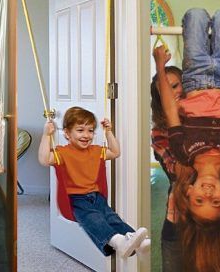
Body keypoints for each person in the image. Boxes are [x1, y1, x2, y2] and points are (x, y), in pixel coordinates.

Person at [153, 8, 220, 272]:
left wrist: (159, 66)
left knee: (194, 16)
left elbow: (170, 111)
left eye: (199, 200)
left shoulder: (182, 152)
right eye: (215, 201)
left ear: (188, 193)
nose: (207, 194)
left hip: (195, 79)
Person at [39, 106, 150, 259]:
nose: (86, 135)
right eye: (80, 130)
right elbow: (44, 159)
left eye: (90, 130)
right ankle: (117, 241)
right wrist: (46, 135)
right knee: (93, 219)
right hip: (76, 199)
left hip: (96, 196)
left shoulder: (96, 150)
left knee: (112, 218)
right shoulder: (62, 153)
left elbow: (116, 152)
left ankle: (139, 242)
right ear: (66, 133)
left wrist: (109, 132)